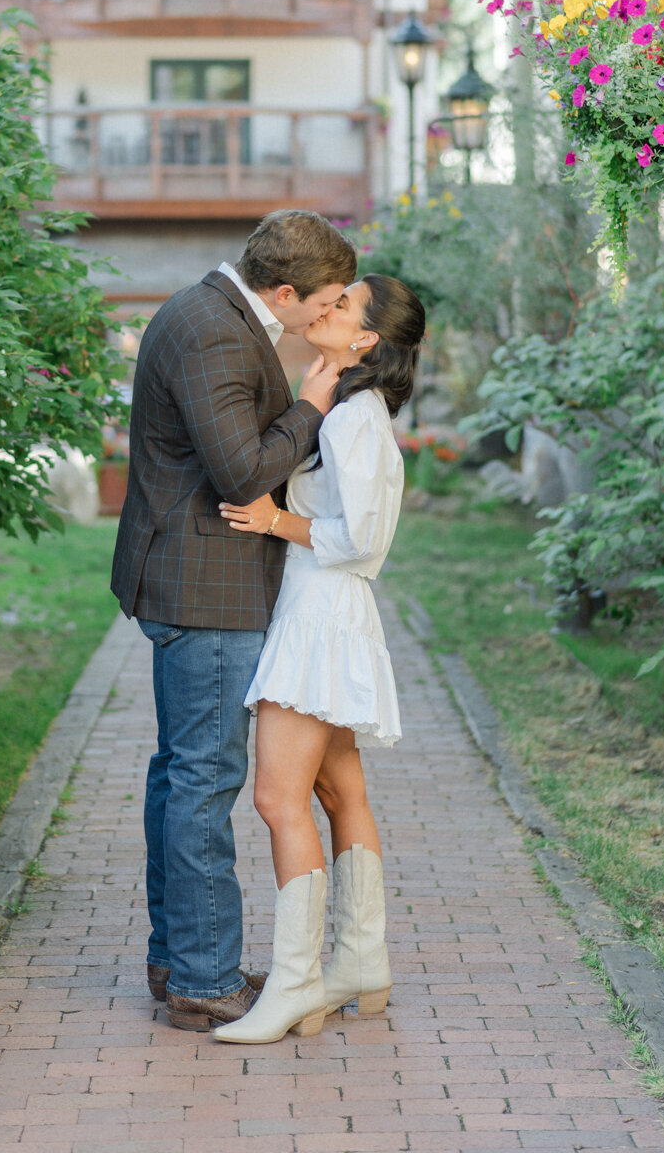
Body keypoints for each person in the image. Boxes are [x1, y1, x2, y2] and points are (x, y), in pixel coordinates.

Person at [112, 210, 357, 1031]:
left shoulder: (205, 311)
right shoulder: (213, 330)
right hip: (205, 588)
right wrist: (317, 396)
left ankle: (177, 955)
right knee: (202, 781)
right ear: (282, 291)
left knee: (178, 773)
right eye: (320, 303)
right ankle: (204, 977)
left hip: (193, 581)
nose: (324, 316)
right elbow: (245, 471)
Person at [212, 274, 426, 1045]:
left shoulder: (353, 422)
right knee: (338, 796)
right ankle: (360, 963)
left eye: (343, 307)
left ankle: (296, 985)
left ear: (365, 340)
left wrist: (274, 521)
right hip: (324, 614)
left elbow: (362, 541)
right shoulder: (349, 409)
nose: (325, 309)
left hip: (320, 615)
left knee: (276, 799)